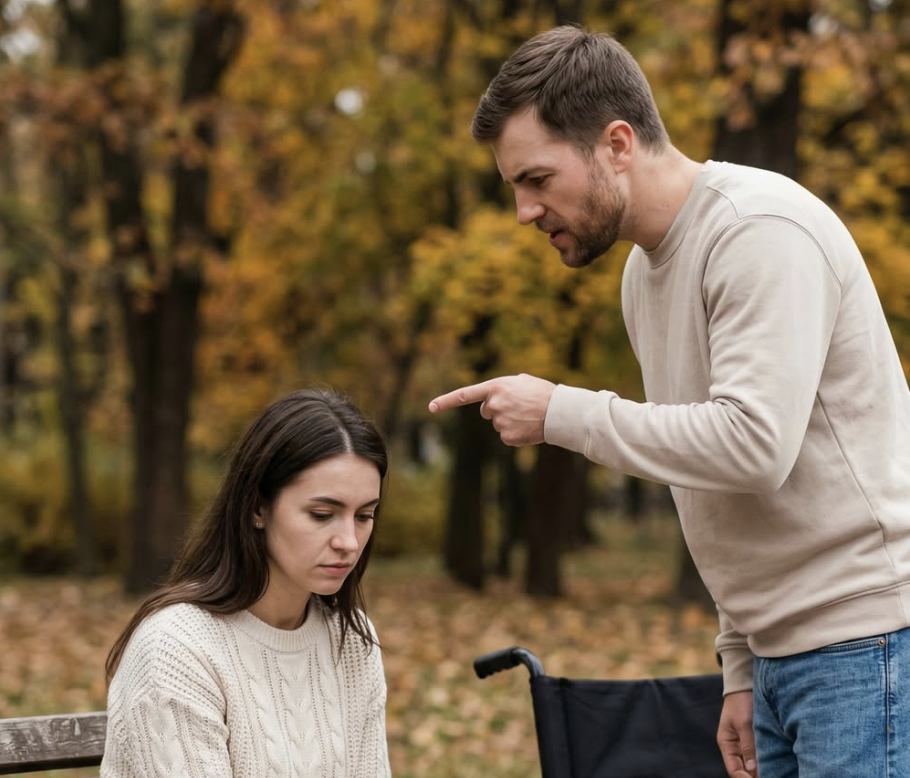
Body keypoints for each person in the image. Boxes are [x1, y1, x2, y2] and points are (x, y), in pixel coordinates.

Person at [428, 24, 910, 778]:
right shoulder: (643, 276)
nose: (525, 211)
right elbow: (708, 478)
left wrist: (561, 412)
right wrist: (742, 665)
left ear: (617, 143)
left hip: (868, 647)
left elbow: (752, 446)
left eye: (538, 179)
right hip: (783, 657)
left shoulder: (757, 232)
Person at [101, 388, 392, 778]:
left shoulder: (352, 641)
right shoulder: (177, 649)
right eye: (323, 514)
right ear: (258, 508)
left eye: (364, 516)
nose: (349, 542)